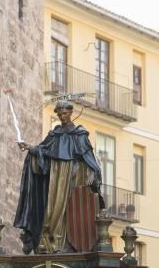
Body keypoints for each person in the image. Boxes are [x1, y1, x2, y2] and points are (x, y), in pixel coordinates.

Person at [14, 99, 103, 254]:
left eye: (65, 113)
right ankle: (51, 239)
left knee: (69, 207)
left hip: (73, 176)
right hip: (55, 178)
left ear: (70, 113)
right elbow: (43, 151)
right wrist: (30, 147)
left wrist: (92, 173)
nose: (62, 117)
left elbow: (89, 159)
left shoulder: (79, 135)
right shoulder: (54, 135)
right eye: (60, 114)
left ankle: (66, 242)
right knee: (53, 208)